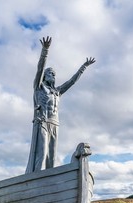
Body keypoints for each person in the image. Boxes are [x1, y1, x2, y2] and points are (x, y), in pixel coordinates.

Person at [26, 36, 95, 173]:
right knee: (42, 151)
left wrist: (84, 66)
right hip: (43, 122)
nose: (53, 75)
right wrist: (45, 50)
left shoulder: (57, 92)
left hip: (55, 123)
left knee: (51, 155)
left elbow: (72, 81)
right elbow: (40, 68)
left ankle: (49, 177)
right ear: (45, 76)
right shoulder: (39, 87)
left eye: (54, 74)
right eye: (50, 73)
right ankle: (38, 176)